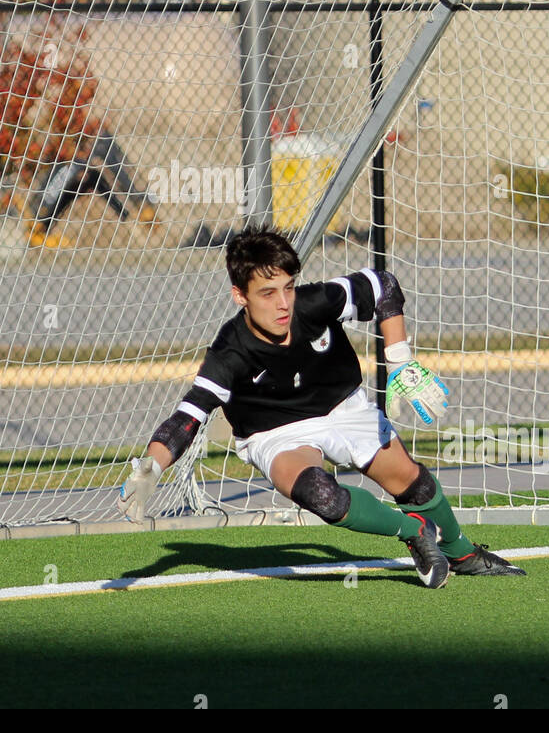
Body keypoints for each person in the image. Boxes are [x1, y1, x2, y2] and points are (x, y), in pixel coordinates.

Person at [116, 226, 524, 585]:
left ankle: (465, 555)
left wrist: (400, 360)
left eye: (288, 287)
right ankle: (413, 530)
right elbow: (188, 418)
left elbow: (383, 285)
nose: (283, 304)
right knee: (322, 495)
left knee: (412, 483)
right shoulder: (229, 352)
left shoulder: (314, 304)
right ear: (239, 295)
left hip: (343, 407)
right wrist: (151, 467)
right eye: (267, 292)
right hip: (274, 435)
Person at [27, 128, 158, 249]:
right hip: (47, 201)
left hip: (81, 170)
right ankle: (41, 225)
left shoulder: (87, 165)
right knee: (92, 171)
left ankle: (129, 210)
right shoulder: (68, 165)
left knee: (95, 173)